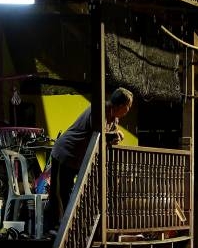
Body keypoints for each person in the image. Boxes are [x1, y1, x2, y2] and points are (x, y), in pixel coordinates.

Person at [44, 87, 134, 233]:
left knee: (75, 192)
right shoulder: (99, 110)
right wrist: (113, 135)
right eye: (128, 106)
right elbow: (97, 134)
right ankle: (56, 228)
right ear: (120, 106)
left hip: (79, 159)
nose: (128, 110)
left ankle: (69, 226)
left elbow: (106, 139)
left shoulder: (114, 119)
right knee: (59, 192)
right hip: (65, 152)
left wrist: (114, 137)